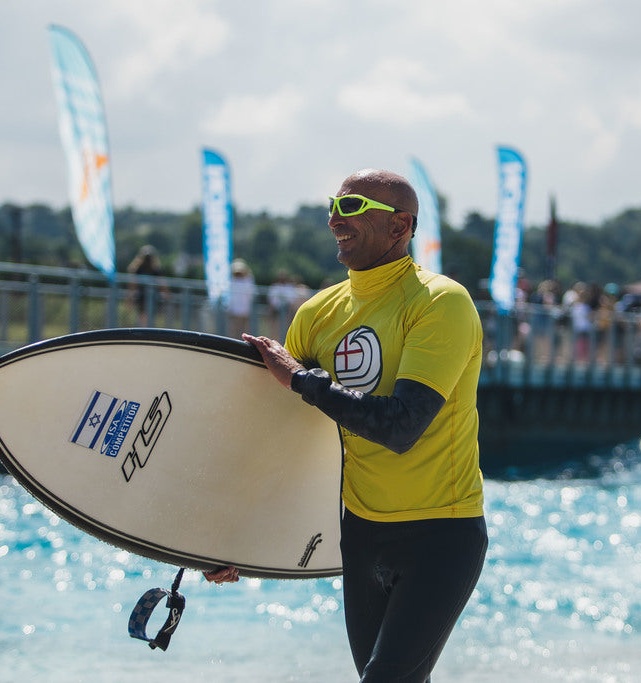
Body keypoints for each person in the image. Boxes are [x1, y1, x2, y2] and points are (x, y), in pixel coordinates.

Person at [206, 169, 487, 682]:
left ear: (400, 227)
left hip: (440, 534)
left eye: (353, 207)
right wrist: (235, 538)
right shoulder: (316, 315)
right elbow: (285, 444)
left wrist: (303, 381)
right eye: (332, 207)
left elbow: (402, 427)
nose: (336, 218)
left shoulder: (441, 303)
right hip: (362, 537)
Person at [127, 245, 167, 326]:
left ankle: (149, 333)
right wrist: (129, 298)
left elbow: (162, 283)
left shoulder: (155, 270)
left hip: (152, 298)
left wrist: (166, 293)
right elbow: (133, 284)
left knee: (149, 318)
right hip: (142, 297)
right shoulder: (139, 269)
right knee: (143, 318)